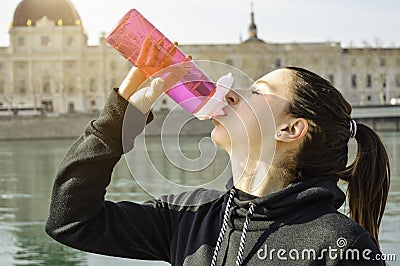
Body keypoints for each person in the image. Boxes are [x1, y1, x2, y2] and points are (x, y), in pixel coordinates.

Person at [45, 43, 390, 265]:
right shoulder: (190, 215)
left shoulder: (339, 247)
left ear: (290, 129)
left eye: (257, 91)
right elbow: (71, 222)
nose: (229, 92)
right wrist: (121, 118)